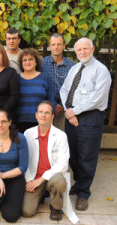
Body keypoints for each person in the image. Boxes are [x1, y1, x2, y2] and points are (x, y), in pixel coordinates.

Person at [60, 37, 112, 211]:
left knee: (86, 157)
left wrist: (75, 111)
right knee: (73, 155)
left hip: (90, 117)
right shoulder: (75, 69)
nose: (82, 52)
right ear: (75, 52)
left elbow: (98, 98)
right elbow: (65, 90)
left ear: (93, 49)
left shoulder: (101, 70)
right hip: (72, 115)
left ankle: (83, 194)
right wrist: (69, 110)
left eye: (85, 49)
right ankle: (79, 183)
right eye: (79, 50)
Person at [22, 101, 78, 223]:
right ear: (36, 115)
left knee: (58, 181)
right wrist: (28, 180)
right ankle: (41, 195)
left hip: (52, 177)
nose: (43, 115)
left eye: (47, 113)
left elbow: (63, 164)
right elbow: (23, 161)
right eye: (41, 112)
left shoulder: (61, 135)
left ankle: (56, 206)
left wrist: (41, 179)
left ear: (52, 116)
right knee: (27, 211)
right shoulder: (27, 133)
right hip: (34, 177)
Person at [0, 109, 28, 223]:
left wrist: (2, 175)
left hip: (15, 177)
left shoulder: (20, 138)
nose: (0, 125)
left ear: (9, 122)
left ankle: (7, 198)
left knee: (10, 217)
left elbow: (23, 167)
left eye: (3, 121)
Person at [16, 48, 56, 133]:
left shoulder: (44, 78)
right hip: (19, 122)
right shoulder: (16, 79)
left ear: (36, 62)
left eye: (31, 59)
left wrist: (51, 118)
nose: (27, 62)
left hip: (41, 121)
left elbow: (51, 100)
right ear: (21, 63)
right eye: (24, 60)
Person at [41, 33, 75, 131]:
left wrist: (62, 105)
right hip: (47, 108)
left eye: (59, 44)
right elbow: (41, 87)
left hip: (66, 109)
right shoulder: (42, 64)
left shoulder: (72, 65)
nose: (56, 47)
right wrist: (54, 105)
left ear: (64, 46)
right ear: (49, 46)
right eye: (53, 44)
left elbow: (74, 88)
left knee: (63, 138)